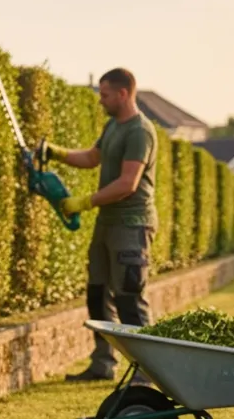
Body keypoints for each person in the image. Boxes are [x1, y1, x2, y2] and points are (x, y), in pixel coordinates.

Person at [38, 68, 157, 382]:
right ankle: (103, 364)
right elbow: (92, 158)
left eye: (104, 95)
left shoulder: (139, 131)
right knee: (97, 294)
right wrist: (56, 153)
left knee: (129, 298)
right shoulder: (113, 126)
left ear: (122, 93)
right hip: (107, 223)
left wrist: (84, 202)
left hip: (132, 225)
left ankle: (145, 373)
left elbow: (128, 184)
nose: (100, 100)